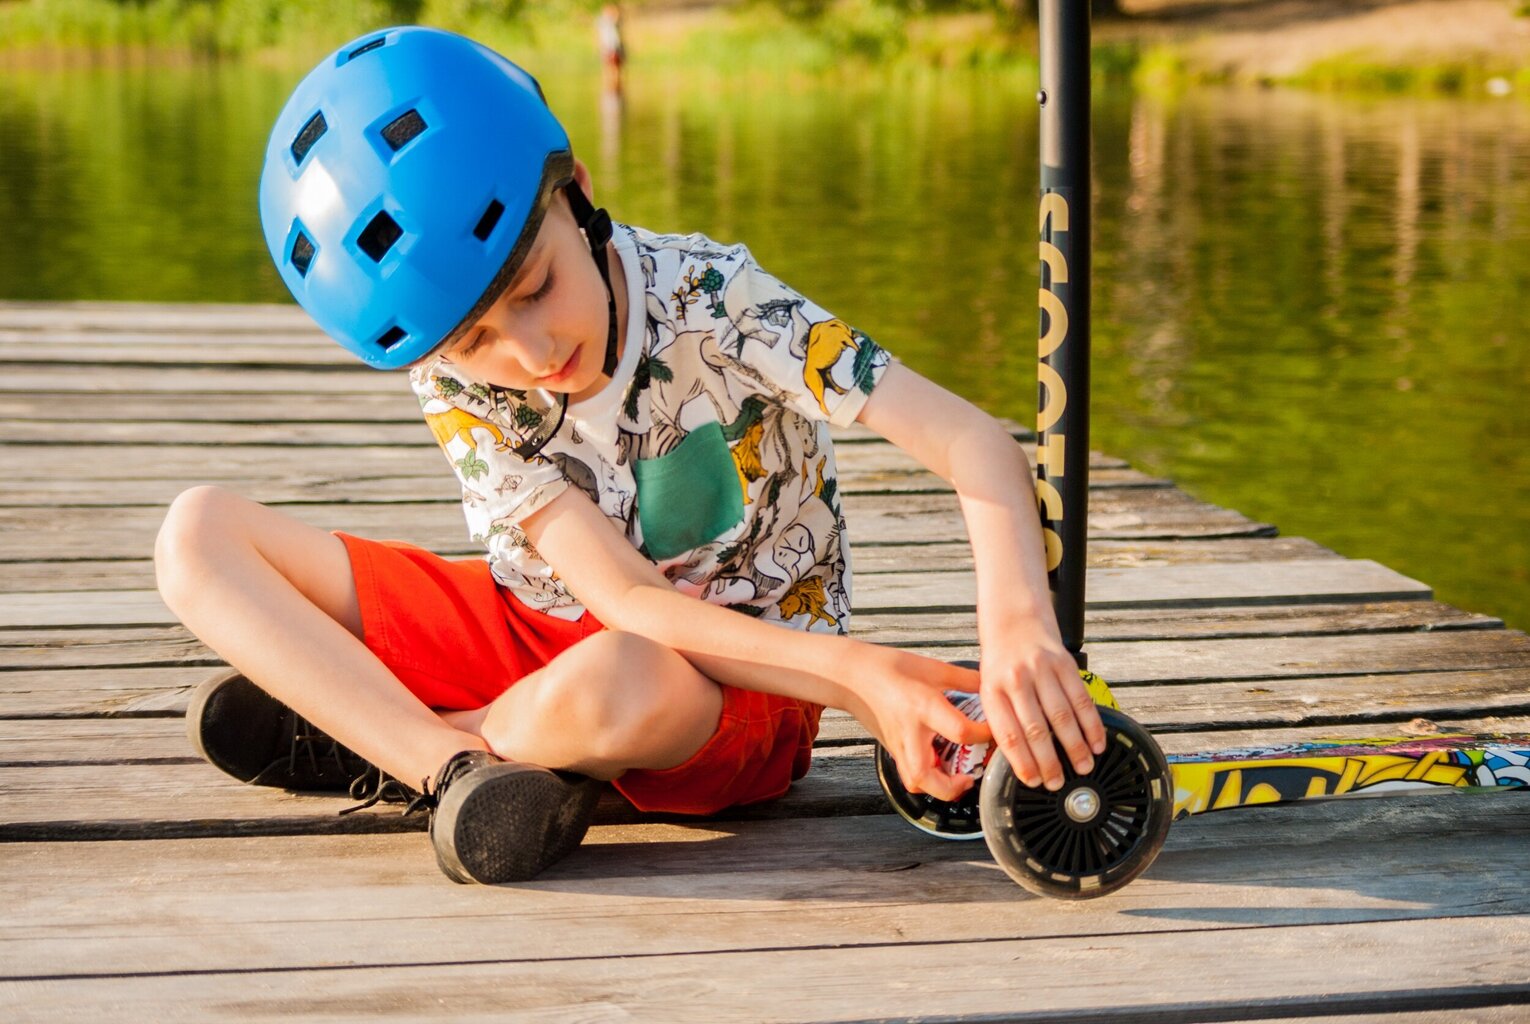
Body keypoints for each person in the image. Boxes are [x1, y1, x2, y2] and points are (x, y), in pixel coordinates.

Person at [155, 26, 1105, 886]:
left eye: (534, 289)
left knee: (625, 677)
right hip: (545, 629)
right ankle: (448, 768)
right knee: (195, 536)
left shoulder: (719, 302)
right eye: (477, 341)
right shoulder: (452, 372)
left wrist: (1013, 630)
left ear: (577, 196)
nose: (527, 355)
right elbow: (610, 594)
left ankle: (377, 731)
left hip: (739, 688)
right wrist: (876, 675)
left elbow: (971, 441)